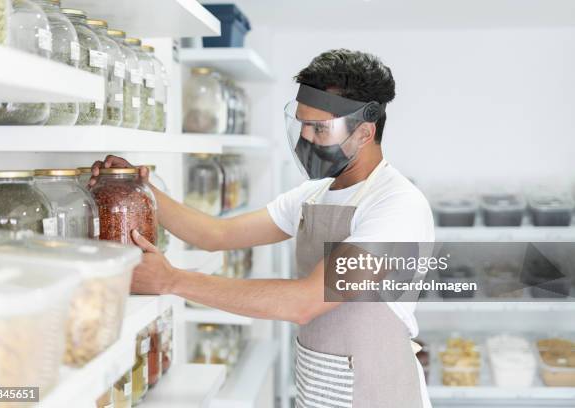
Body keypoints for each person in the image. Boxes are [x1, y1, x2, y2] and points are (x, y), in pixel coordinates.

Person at [90, 49, 434, 408]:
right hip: (320, 388)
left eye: (319, 128)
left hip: (378, 395)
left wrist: (172, 280)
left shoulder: (396, 207)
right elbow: (215, 235)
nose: (306, 139)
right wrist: (137, 188)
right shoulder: (313, 195)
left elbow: (305, 301)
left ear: (364, 132)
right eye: (302, 124)